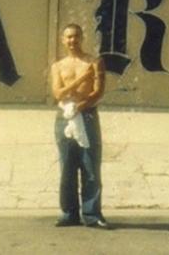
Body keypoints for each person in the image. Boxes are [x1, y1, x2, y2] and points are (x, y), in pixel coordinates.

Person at [50, 23, 109, 229]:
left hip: (87, 116)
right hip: (64, 115)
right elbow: (58, 94)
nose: (72, 41)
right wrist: (82, 78)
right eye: (68, 37)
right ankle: (69, 213)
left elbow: (98, 91)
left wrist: (81, 106)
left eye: (75, 36)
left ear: (82, 38)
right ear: (62, 40)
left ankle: (92, 213)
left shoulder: (95, 62)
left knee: (90, 165)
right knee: (67, 166)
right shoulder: (58, 66)